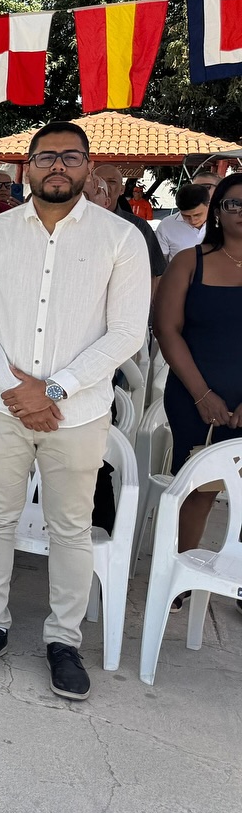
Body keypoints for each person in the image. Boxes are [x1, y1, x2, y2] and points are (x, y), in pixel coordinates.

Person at [0, 121, 149, 700]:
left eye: (70, 156)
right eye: (46, 157)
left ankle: (64, 639)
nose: (57, 166)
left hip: (78, 412)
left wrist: (54, 390)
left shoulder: (121, 238)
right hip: (1, 407)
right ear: (27, 166)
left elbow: (126, 332)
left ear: (88, 166)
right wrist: (18, 391)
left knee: (70, 528)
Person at [154, 172, 242, 570]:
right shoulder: (190, 261)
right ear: (217, 211)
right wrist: (202, 395)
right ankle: (178, 575)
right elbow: (166, 329)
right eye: (233, 204)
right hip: (193, 394)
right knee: (198, 487)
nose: (241, 211)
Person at [95, 163, 165, 293]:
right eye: (99, 181)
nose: (104, 186)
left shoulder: (138, 227)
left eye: (111, 182)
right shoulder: (75, 222)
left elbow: (154, 273)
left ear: (122, 190)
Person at [156, 183, 210, 261]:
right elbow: (160, 261)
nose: (193, 220)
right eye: (186, 216)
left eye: (197, 215)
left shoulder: (223, 222)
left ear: (208, 205)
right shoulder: (166, 225)